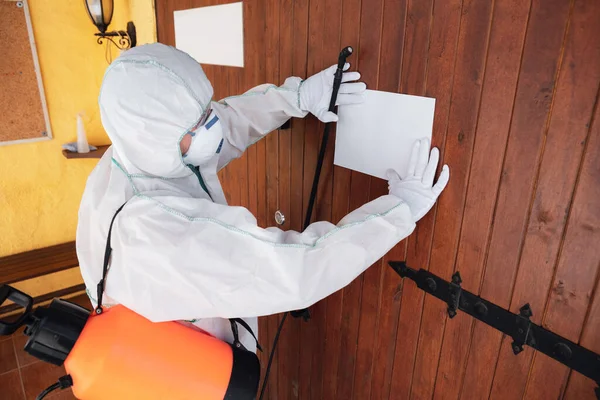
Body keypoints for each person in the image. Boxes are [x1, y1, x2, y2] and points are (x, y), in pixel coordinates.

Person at [76, 43, 449, 351]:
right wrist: (398, 212)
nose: (210, 125)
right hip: (190, 374)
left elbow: (226, 122)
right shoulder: (151, 239)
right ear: (155, 139)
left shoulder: (139, 151)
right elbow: (294, 270)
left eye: (205, 109)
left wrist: (296, 97)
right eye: (195, 125)